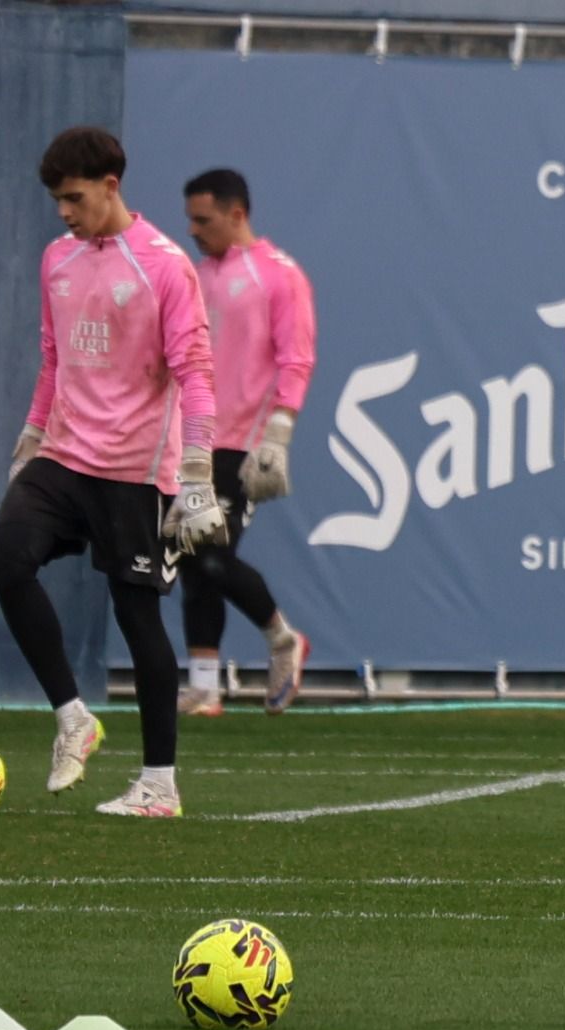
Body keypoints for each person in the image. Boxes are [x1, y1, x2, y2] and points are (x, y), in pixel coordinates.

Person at [0, 126, 227, 819]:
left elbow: (196, 372)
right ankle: (73, 717)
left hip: (134, 470)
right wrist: (31, 437)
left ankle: (159, 784)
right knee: (6, 556)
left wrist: (197, 470)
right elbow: (53, 359)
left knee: (137, 616)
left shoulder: (164, 265)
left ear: (111, 186)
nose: (64, 211)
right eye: (58, 200)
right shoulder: (57, 260)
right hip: (65, 456)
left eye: (75, 197)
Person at [175, 168, 315, 717]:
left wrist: (277, 437)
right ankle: (205, 687)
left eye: (203, 220)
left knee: (211, 557)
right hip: (194, 441)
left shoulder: (279, 276)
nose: (193, 230)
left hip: (244, 444)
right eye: (189, 219)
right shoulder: (195, 275)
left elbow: (296, 359)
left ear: (237, 215)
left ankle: (284, 640)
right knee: (190, 556)